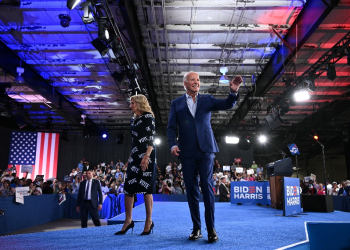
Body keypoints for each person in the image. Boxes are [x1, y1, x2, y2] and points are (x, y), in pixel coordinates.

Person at [167, 71, 242, 243]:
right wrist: (173, 144)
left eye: (198, 80)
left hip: (206, 150)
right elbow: (171, 128)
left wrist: (233, 92)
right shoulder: (176, 103)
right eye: (192, 80)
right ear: (185, 83)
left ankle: (211, 229)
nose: (196, 82)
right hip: (186, 152)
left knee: (207, 188)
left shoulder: (207, 99)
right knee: (191, 190)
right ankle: (196, 228)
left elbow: (227, 104)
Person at [115, 94, 156, 236]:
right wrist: (130, 158)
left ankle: (148, 221)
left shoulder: (148, 117)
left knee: (147, 188)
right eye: (130, 103)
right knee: (128, 188)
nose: (130, 105)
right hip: (135, 155)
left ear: (139, 104)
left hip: (147, 155)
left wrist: (146, 157)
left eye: (132, 103)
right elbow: (134, 142)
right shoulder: (134, 119)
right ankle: (128, 221)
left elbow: (152, 139)